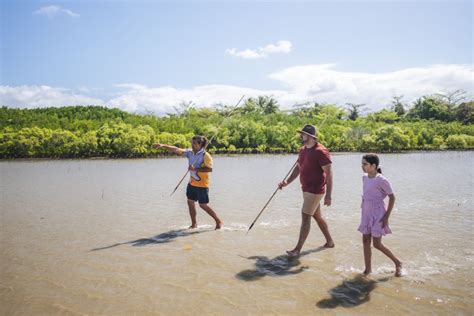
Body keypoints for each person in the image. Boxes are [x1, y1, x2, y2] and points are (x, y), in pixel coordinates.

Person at [278, 124, 334, 258]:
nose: (300, 136)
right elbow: (298, 168)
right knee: (317, 216)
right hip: (306, 189)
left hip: (315, 190)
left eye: (302, 134)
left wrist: (329, 195)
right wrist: (286, 182)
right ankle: (330, 242)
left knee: (305, 217)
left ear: (310, 136)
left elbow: (329, 173)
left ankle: (297, 250)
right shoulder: (303, 150)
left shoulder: (320, 151)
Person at [153, 135, 223, 230]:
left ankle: (218, 221)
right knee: (190, 202)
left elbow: (209, 169)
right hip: (192, 184)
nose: (192, 145)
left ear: (200, 144)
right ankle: (194, 224)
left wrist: (195, 168)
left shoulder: (206, 156)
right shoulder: (190, 153)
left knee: (203, 205)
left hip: (202, 185)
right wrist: (163, 145)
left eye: (194, 143)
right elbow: (176, 149)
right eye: (192, 143)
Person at [359, 153, 402, 277]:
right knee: (365, 241)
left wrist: (386, 217)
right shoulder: (364, 177)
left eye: (365, 164)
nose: (362, 166)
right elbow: (366, 194)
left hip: (378, 214)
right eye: (362, 164)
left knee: (377, 244)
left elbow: (392, 197)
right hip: (366, 212)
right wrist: (363, 207)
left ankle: (397, 262)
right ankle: (368, 270)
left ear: (374, 165)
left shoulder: (382, 180)